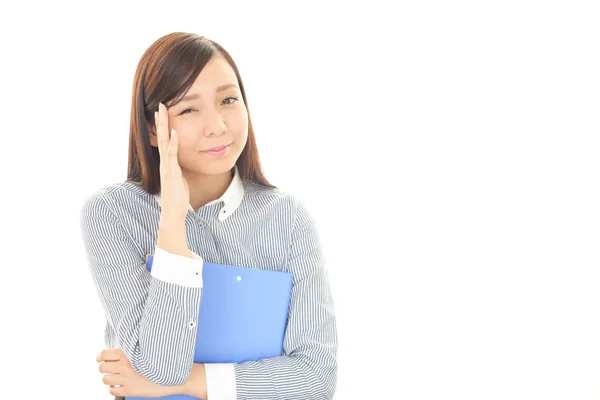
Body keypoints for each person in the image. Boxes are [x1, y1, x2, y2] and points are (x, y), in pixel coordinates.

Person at [79, 32, 337, 399]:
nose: (217, 125)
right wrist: (171, 223)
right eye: (189, 109)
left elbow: (315, 381)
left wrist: (192, 381)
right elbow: (159, 365)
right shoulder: (112, 214)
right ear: (153, 128)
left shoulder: (289, 219)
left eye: (228, 100)